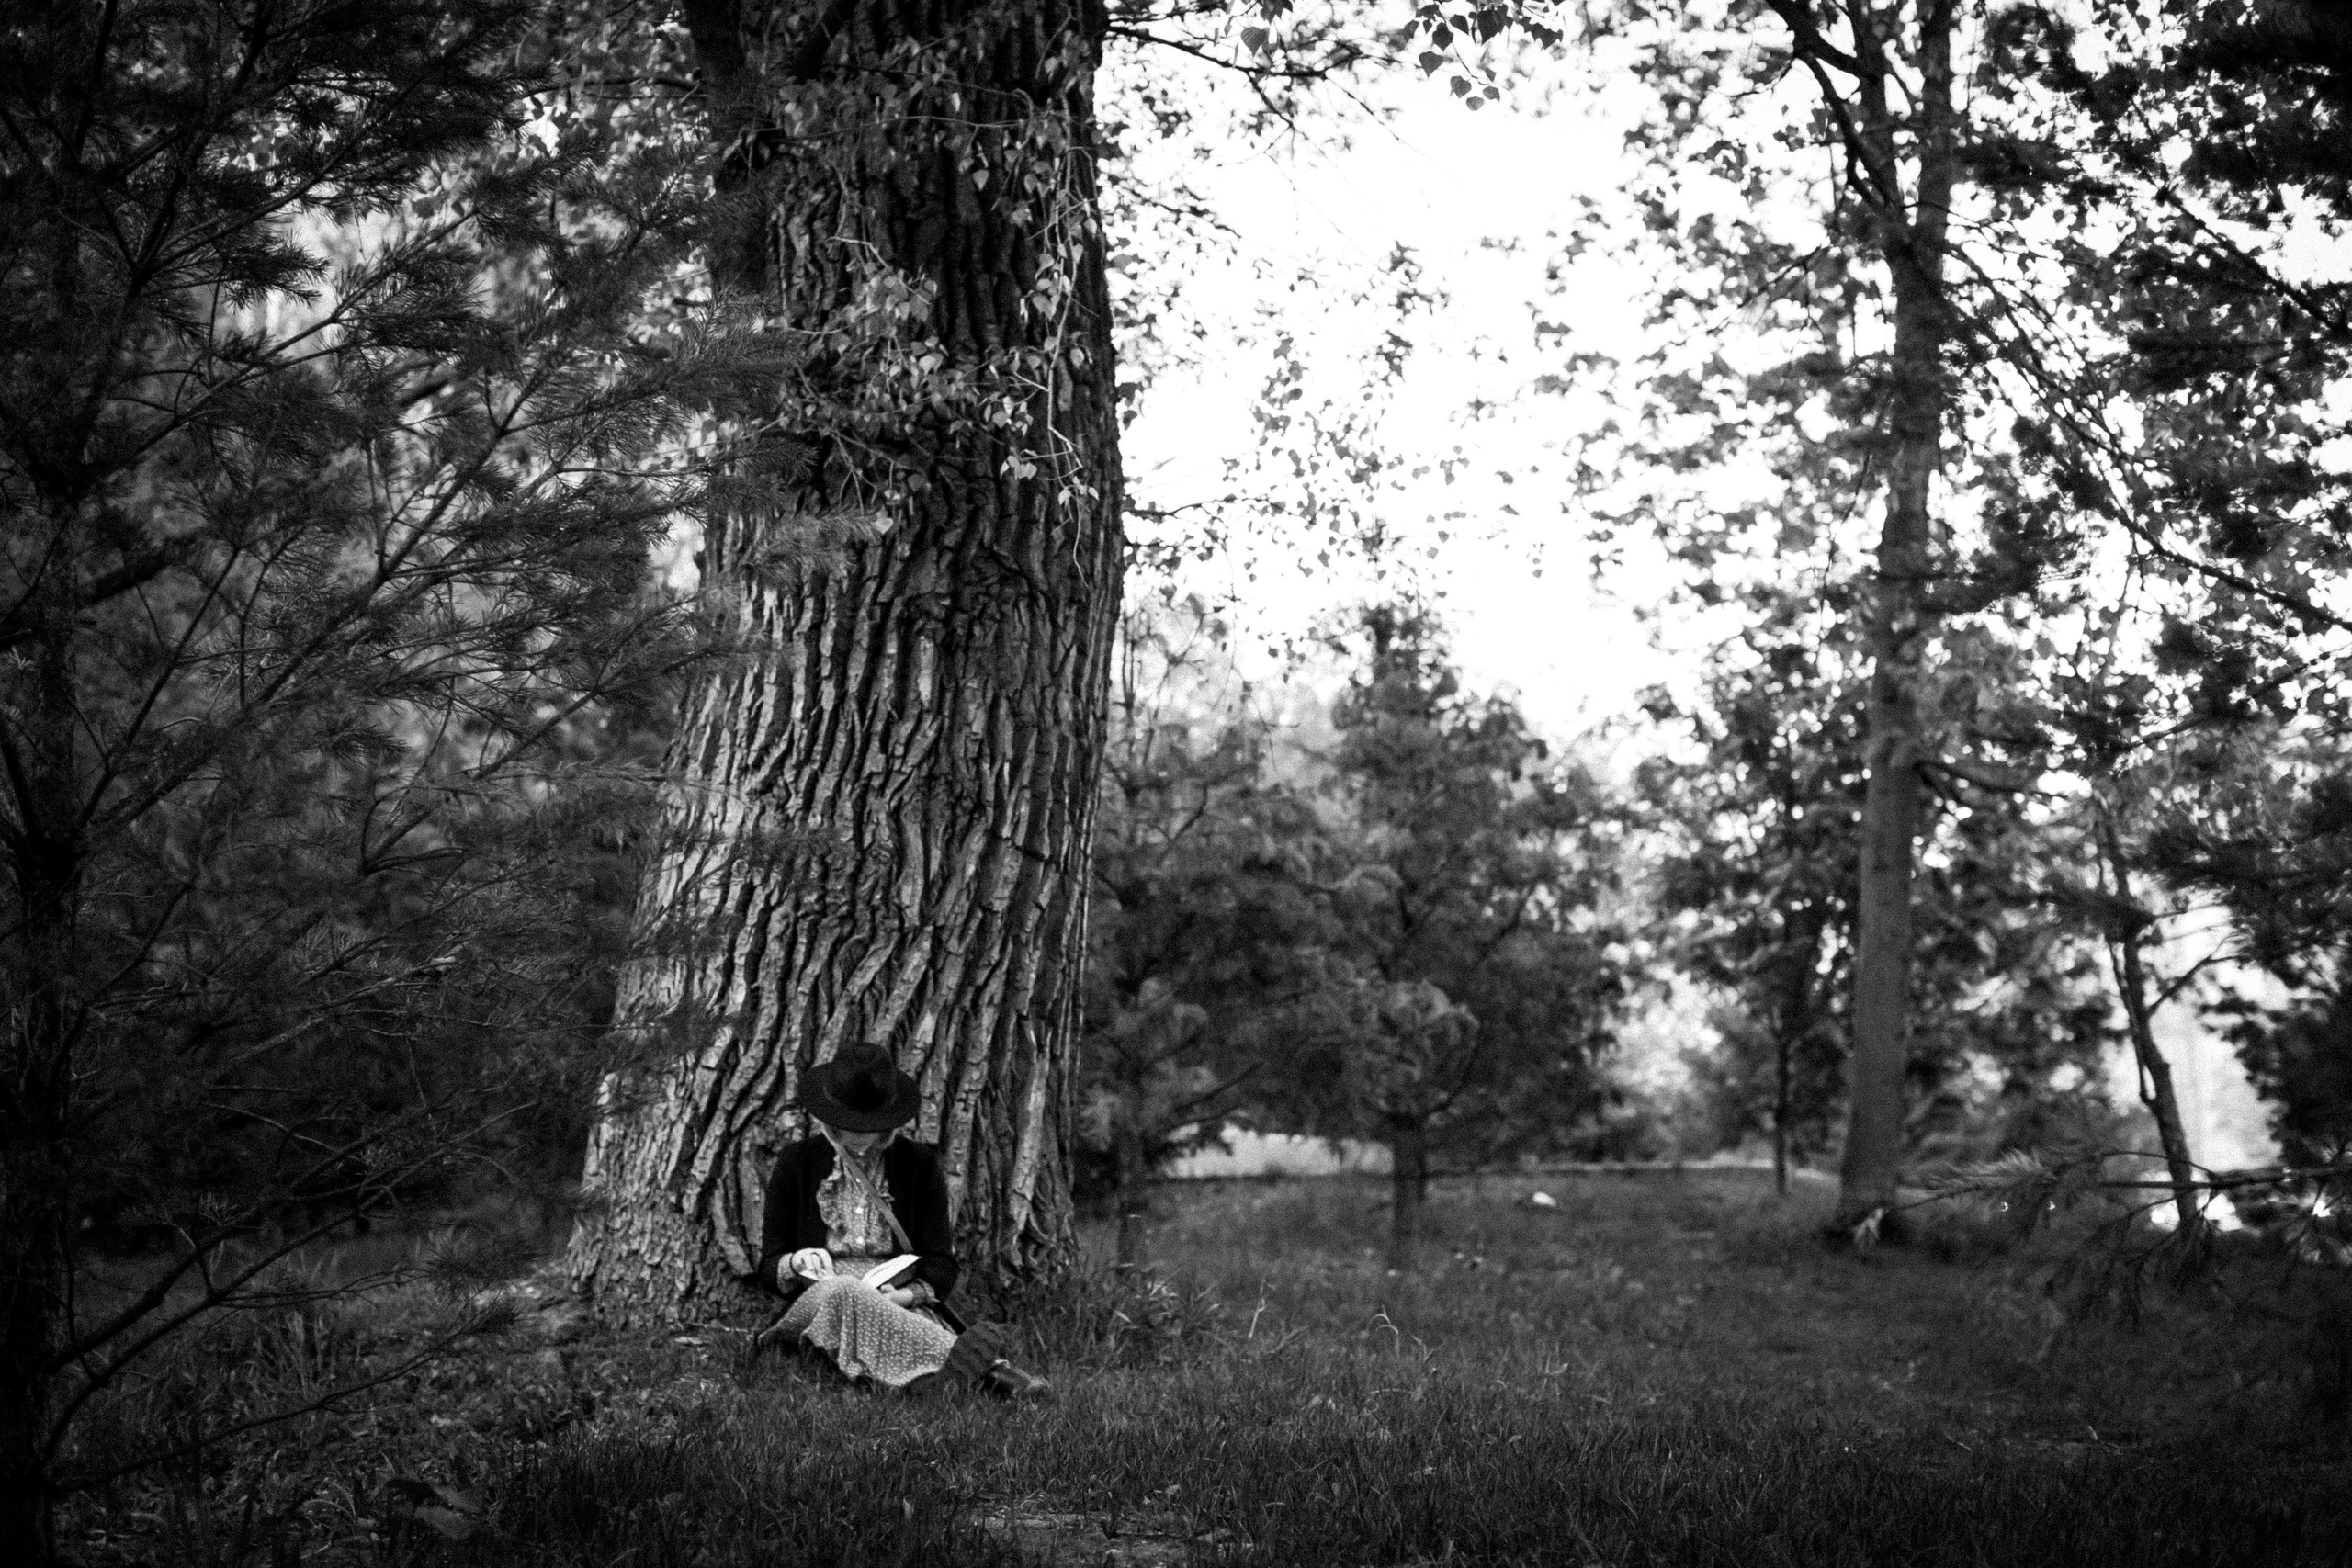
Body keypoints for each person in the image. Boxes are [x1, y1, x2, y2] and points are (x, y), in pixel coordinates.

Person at [753, 1041, 1048, 1399]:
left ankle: (932, 1389)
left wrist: (906, 1297)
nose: (860, 1136)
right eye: (849, 1126)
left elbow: (941, 1262)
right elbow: (768, 1267)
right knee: (845, 1290)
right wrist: (797, 1261)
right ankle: (999, 1374)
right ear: (829, 1117)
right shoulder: (796, 1163)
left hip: (892, 1302)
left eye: (870, 1127)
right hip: (820, 1303)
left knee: (898, 1323)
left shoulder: (918, 1165)